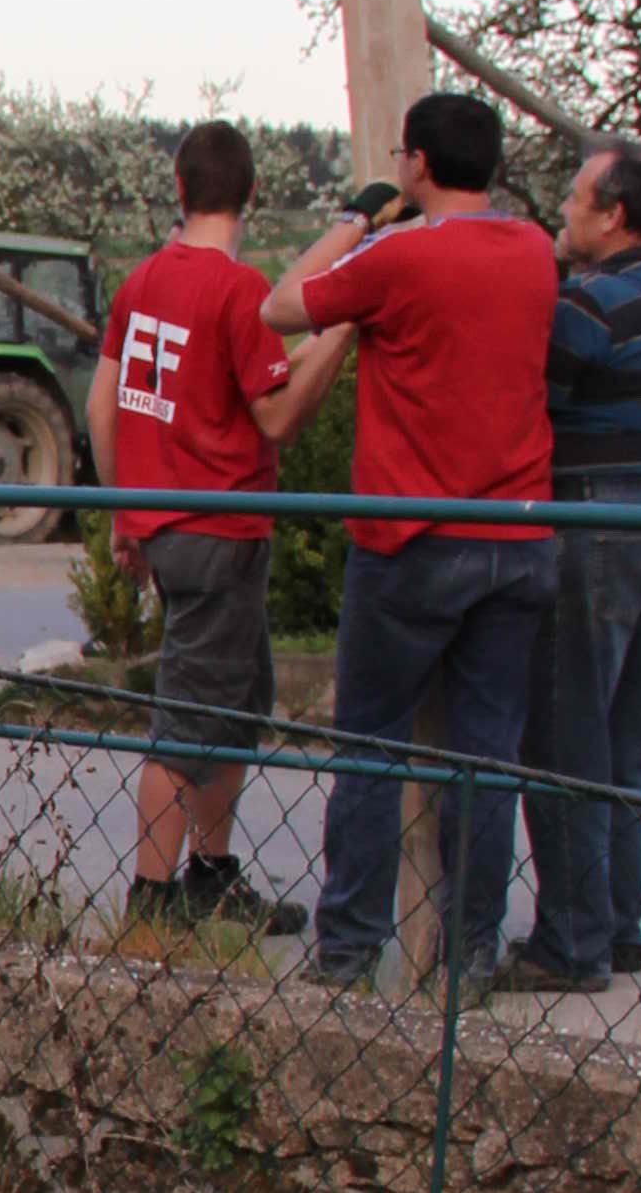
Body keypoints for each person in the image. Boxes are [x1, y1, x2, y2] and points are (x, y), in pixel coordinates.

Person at [261, 91, 559, 992]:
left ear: (419, 165)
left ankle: (348, 946)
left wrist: (359, 216)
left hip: (410, 539)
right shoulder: (537, 251)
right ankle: (469, 951)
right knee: (486, 758)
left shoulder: (399, 258)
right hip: (517, 537)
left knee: (371, 747)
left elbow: (281, 307)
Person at [89, 121, 353, 933]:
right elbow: (275, 416)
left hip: (169, 524)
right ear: (251, 196)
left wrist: (123, 513)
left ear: (177, 190)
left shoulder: (142, 284)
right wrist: (344, 327)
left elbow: (104, 405)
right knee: (186, 721)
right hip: (223, 527)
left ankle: (209, 870)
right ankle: (156, 896)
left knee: (238, 702)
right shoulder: (240, 293)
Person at [501, 143, 641, 994]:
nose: (565, 211)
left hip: (592, 516)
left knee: (564, 734)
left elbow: (528, 396)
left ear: (614, 214)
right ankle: (618, 926)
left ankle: (571, 944)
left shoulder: (590, 301)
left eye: (576, 198)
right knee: (623, 737)